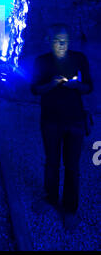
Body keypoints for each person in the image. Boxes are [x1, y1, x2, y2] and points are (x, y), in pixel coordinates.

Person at [30, 23, 93, 230]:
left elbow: (88, 87)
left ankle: (70, 209)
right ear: (49, 41)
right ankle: (50, 199)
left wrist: (76, 86)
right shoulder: (42, 62)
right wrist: (51, 84)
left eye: (65, 41)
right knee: (52, 163)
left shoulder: (79, 59)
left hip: (75, 120)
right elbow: (35, 90)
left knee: (72, 167)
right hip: (50, 121)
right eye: (57, 41)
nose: (62, 44)